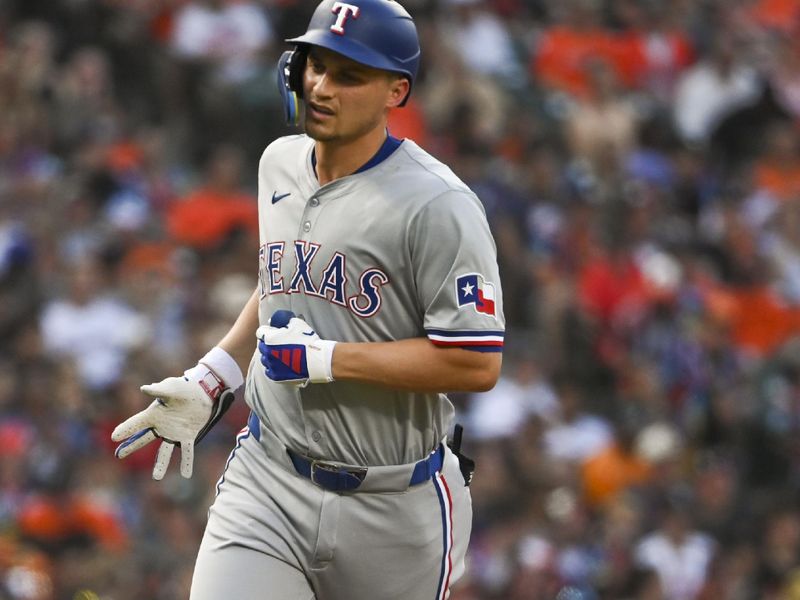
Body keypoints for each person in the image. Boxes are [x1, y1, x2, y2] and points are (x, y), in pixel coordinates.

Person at [111, 0, 505, 598]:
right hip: (269, 479)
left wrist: (326, 361)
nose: (321, 86)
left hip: (393, 506)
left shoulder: (438, 205)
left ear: (396, 92)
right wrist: (216, 374)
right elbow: (283, 278)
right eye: (315, 66)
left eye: (349, 75)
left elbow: (476, 362)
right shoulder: (279, 162)